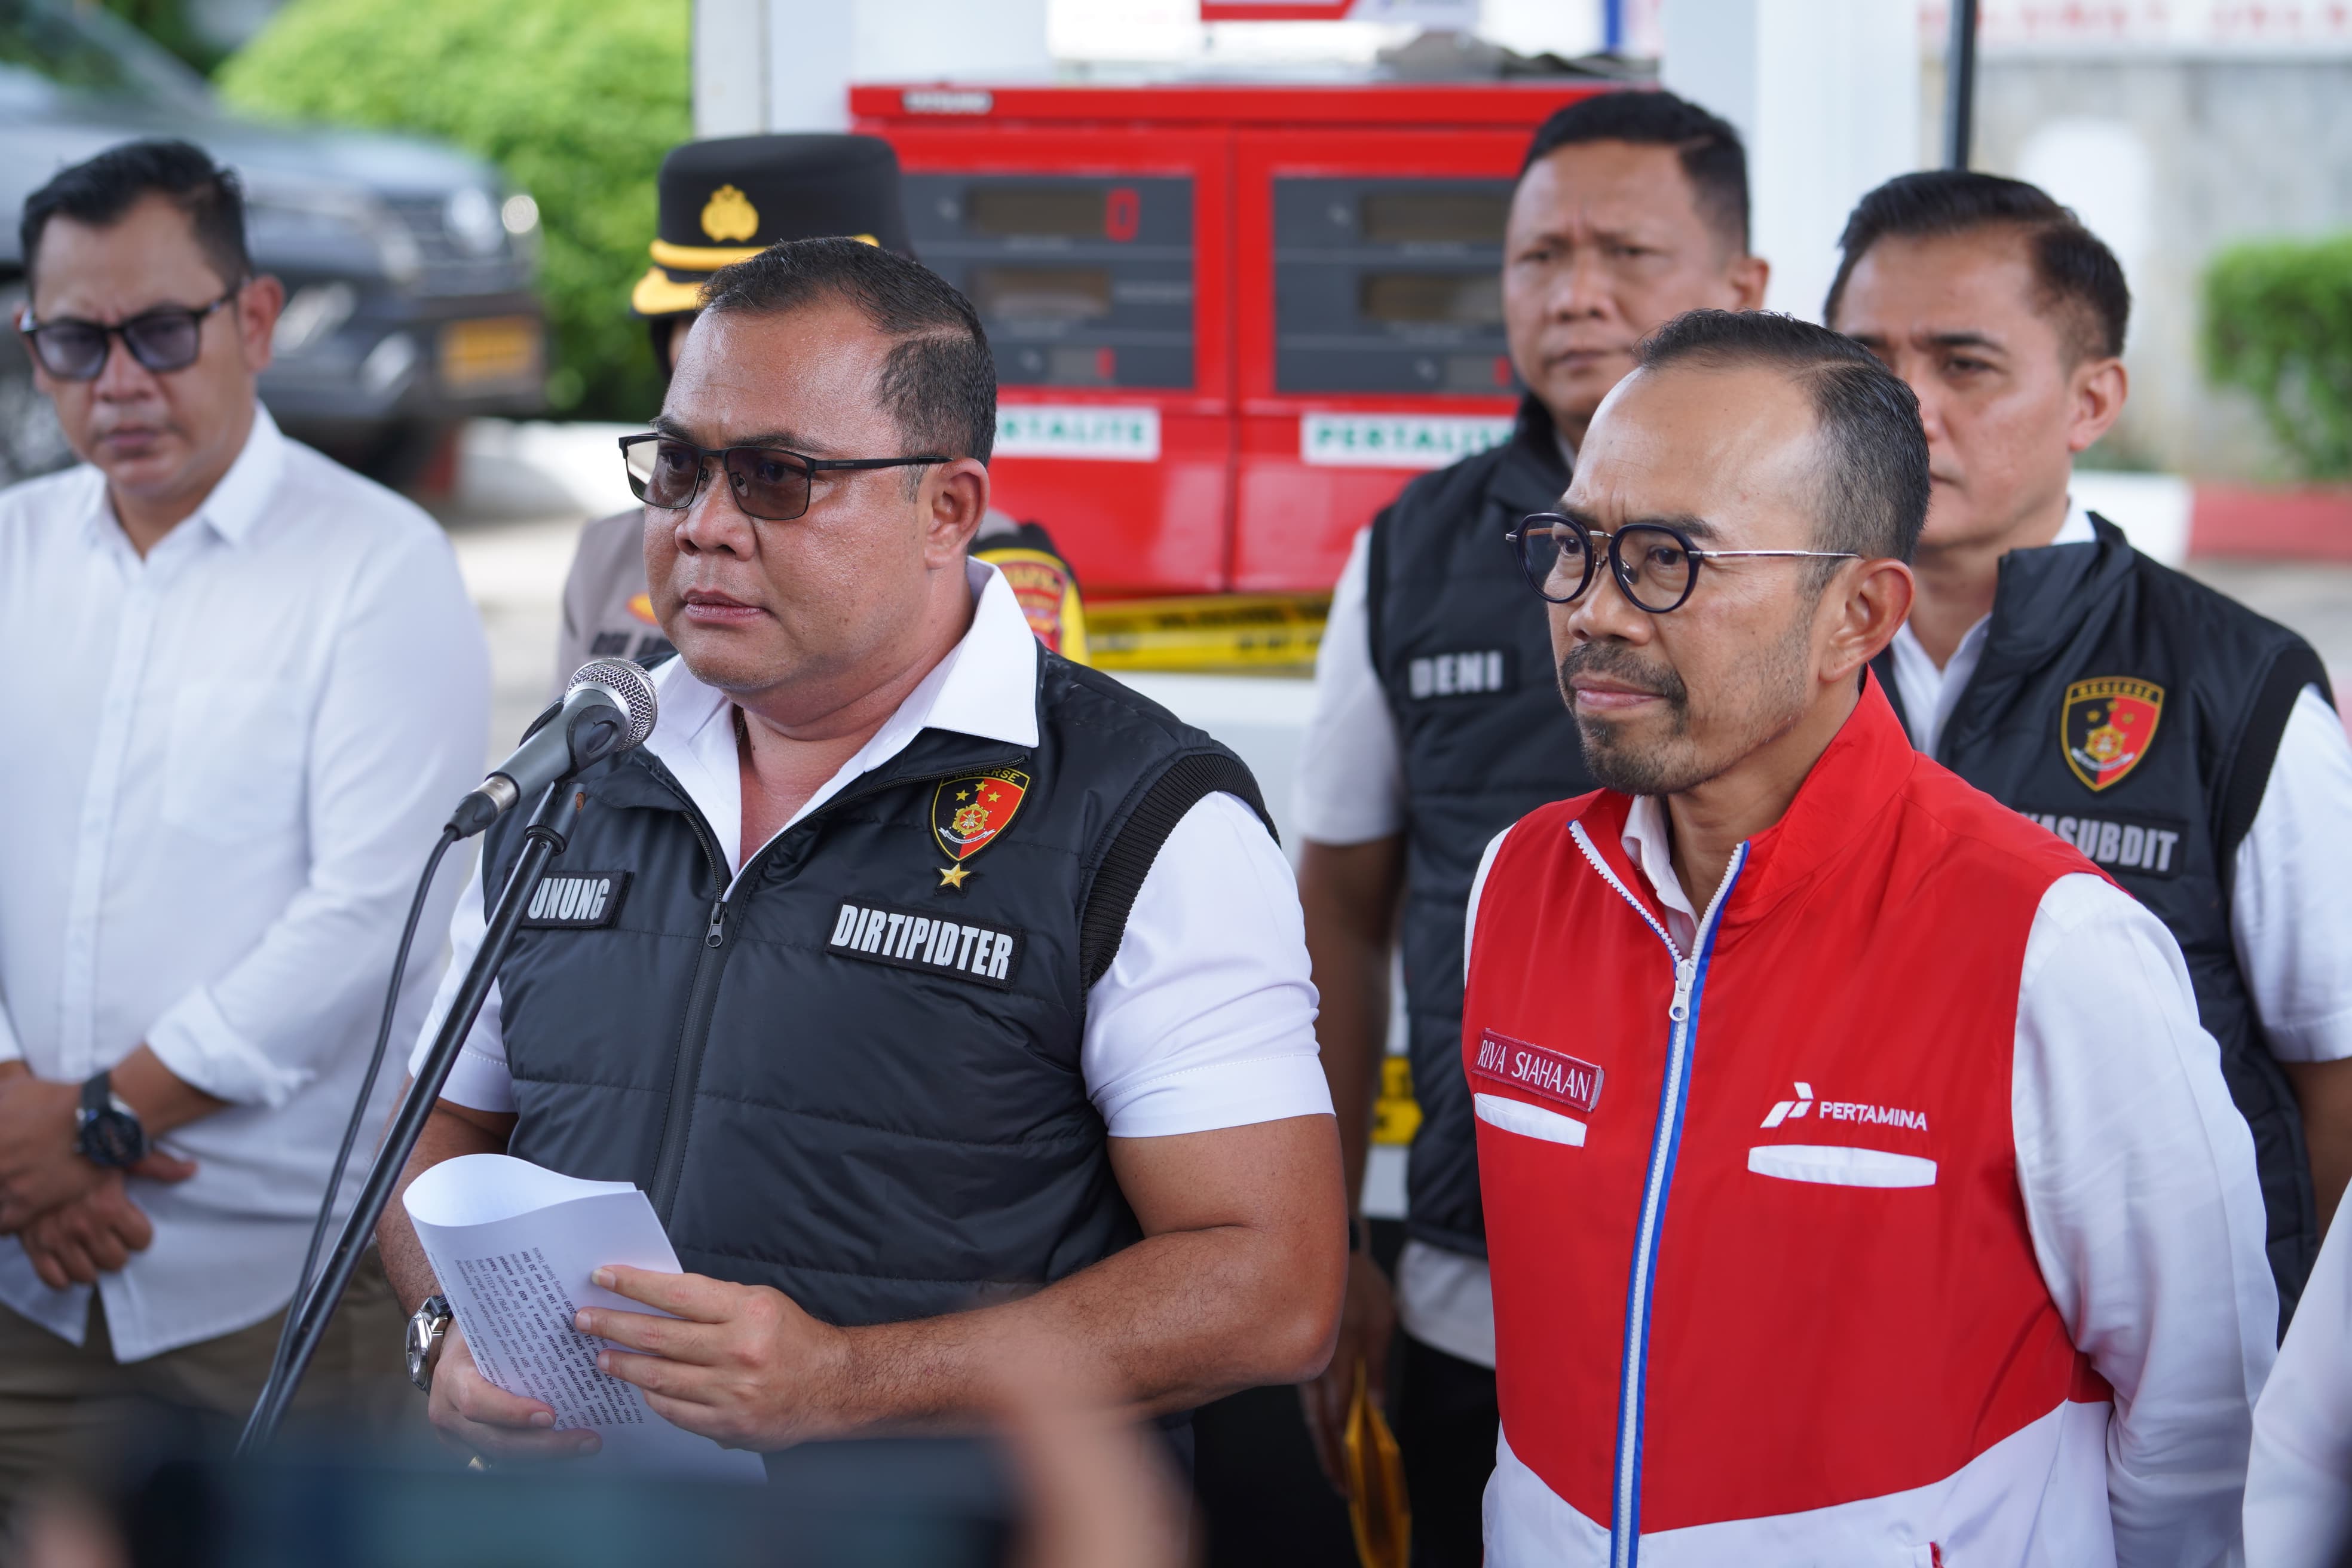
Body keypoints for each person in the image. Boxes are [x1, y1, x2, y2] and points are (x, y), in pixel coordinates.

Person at [379, 237, 1345, 1471]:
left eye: (778, 477)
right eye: (677, 467)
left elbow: (1273, 1286)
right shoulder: (581, 762)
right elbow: (437, 1131)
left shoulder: (1143, 813)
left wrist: (848, 1382)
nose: (704, 526)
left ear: (946, 509)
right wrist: (446, 1330)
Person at [1464, 308, 2274, 1564]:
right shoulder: (1517, 887)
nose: (1597, 610)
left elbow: (2203, 1429)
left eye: (1669, 558)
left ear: (1860, 613)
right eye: (1574, 546)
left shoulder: (2052, 947)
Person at [1291, 90, 1766, 1558]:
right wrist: (1326, 1241)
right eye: (1538, 256)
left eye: (1626, 251)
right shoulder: (1415, 547)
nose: (1574, 294)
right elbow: (1343, 905)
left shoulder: (1825, 542)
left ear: (1742, 290)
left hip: (1765, 1274)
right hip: (1466, 1275)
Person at [0, 139, 488, 1504]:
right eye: (71, 341)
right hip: (20, 1281)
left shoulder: (377, 562)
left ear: (255, 318)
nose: (119, 381)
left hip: (271, 1288)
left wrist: (93, 1124)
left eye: (158, 329)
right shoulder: (11, 550)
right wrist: (15, 1113)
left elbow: (370, 915)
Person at [1825, 171, 2352, 1326]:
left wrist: (2275, 1357)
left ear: (2091, 399)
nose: (1903, 407)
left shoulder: (2236, 686)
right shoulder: (1764, 659)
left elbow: (2335, 1073)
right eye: (1865, 363)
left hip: (2153, 1382)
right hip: (1847, 1352)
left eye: (1964, 364)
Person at [558, 133, 1086, 690]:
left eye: (779, 473)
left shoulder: (997, 567)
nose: (706, 528)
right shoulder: (611, 554)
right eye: (701, 319)